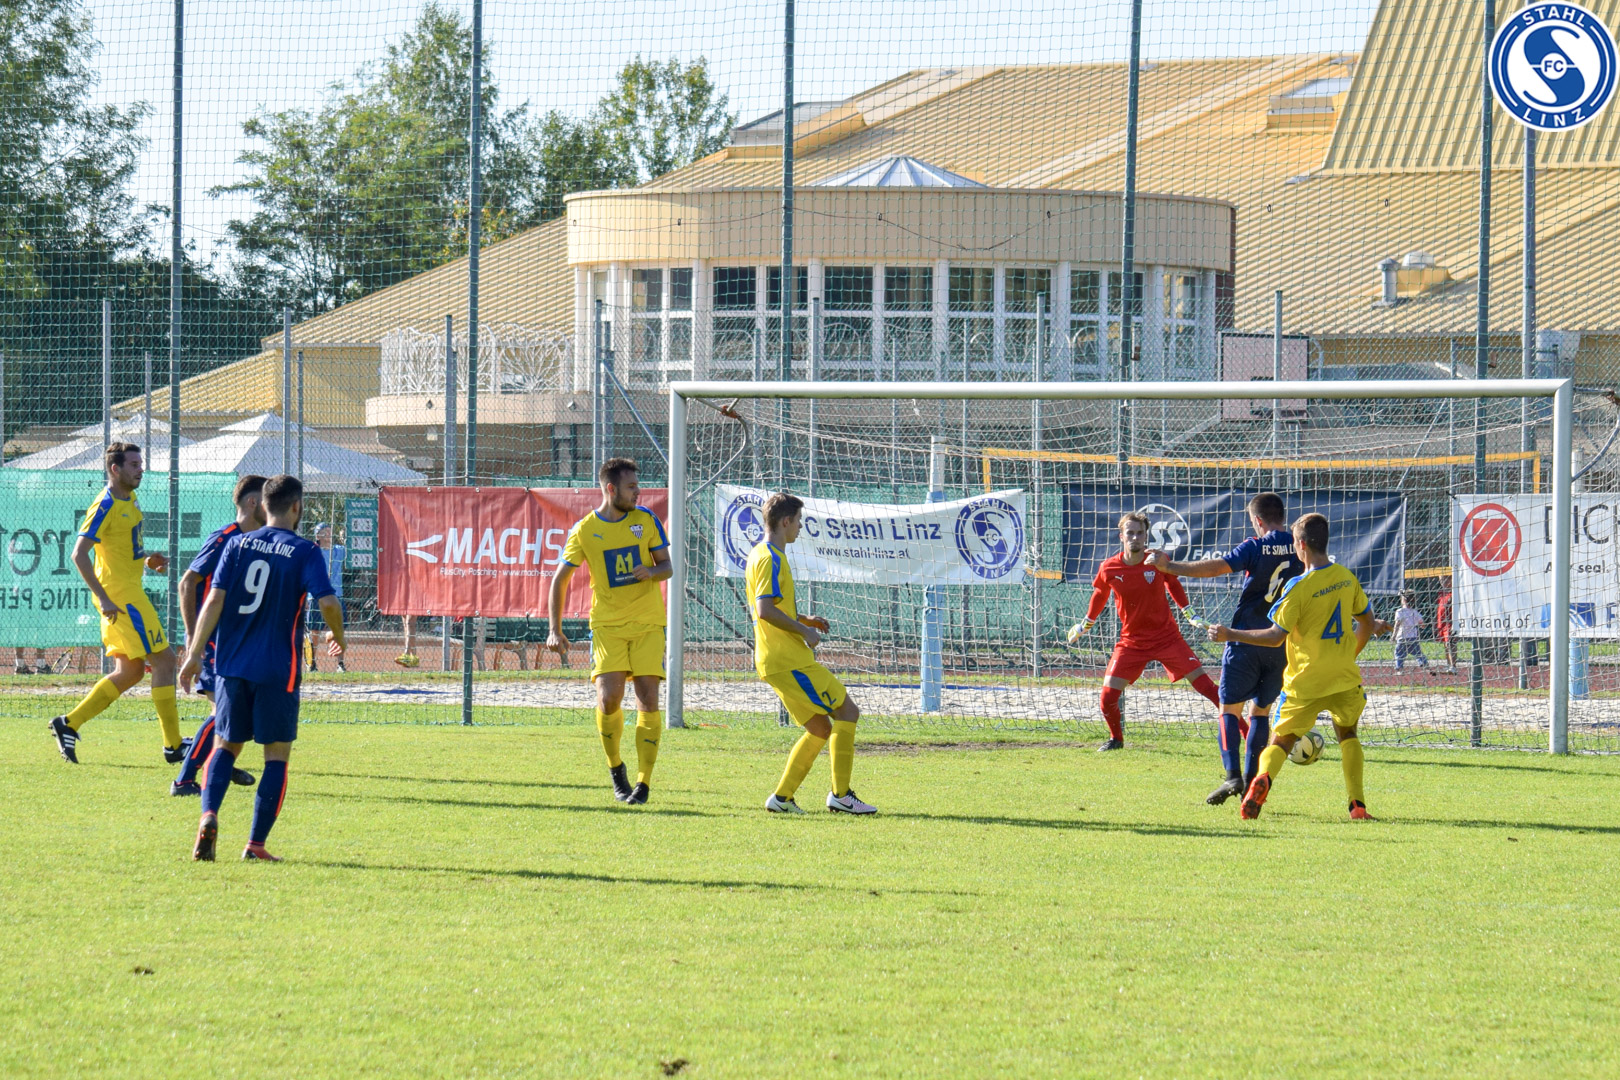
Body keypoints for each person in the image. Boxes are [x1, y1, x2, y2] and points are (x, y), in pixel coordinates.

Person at [179, 474, 344, 862]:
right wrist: (339, 635)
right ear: (297, 507)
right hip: (277, 669)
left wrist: (194, 653)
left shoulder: (236, 544)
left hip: (231, 666)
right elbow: (328, 603)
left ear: (263, 505)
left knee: (225, 746)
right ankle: (255, 845)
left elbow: (213, 600)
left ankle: (208, 815)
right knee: (276, 756)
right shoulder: (305, 551)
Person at [1206, 513, 1390, 821]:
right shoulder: (1347, 577)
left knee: (1282, 741)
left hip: (1305, 681)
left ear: (1301, 545)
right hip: (1344, 677)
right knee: (1348, 734)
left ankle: (1262, 781)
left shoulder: (1298, 587)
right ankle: (1357, 806)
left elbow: (1275, 637)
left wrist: (1230, 634)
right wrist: (1349, 655)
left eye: (1294, 542)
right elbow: (1367, 623)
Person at [1146, 492, 1303, 804]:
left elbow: (1216, 567)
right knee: (1260, 712)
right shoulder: (1299, 547)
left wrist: (1170, 566)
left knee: (1229, 708)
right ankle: (1251, 781)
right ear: (1283, 517)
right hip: (1280, 642)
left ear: (1257, 520)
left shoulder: (1255, 545)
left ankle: (1232, 776)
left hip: (1245, 638)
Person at [546, 458, 673, 805]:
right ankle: (617, 769)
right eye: (631, 487)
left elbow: (667, 566)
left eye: (638, 486)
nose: (638, 492)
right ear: (611, 489)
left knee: (648, 699)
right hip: (607, 626)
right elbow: (560, 579)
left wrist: (651, 572)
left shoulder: (646, 520)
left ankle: (643, 784)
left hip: (648, 623)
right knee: (608, 700)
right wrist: (554, 629)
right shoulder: (585, 530)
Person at [48, 443, 184, 765]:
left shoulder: (129, 498)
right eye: (134, 464)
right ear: (115, 468)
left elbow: (122, 548)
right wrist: (104, 597)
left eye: (141, 463)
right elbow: (78, 554)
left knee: (131, 671)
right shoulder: (106, 504)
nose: (141, 469)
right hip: (122, 598)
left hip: (126, 592)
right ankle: (174, 746)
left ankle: (69, 723)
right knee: (165, 661)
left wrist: (147, 560)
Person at [746, 493, 874, 814]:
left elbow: (774, 605)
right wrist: (804, 632)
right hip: (788, 659)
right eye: (799, 521)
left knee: (819, 729)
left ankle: (782, 799)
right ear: (786, 521)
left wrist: (804, 619)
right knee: (848, 711)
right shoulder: (770, 558)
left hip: (775, 660)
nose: (800, 527)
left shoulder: (759, 554)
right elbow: (764, 610)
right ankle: (842, 796)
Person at [1074, 512, 1222, 752]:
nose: (1135, 537)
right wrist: (1086, 624)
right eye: (1130, 533)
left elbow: (1173, 584)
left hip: (1167, 639)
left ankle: (1246, 733)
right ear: (1121, 536)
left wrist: (1189, 613)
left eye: (1140, 533)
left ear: (1146, 536)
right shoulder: (1109, 567)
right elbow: (1100, 594)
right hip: (1131, 643)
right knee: (1107, 698)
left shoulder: (1158, 560)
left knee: (1207, 687)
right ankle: (1116, 740)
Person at [169, 475, 268, 797]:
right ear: (253, 502)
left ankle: (218, 761)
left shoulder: (258, 542)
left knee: (235, 712)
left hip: (237, 640)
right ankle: (185, 781)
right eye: (267, 500)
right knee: (221, 712)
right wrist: (192, 635)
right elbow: (187, 582)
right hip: (214, 639)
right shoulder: (226, 537)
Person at [306, 523, 347, 672]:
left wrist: (344, 537)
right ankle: (312, 664)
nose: (328, 534)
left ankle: (340, 664)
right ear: (318, 536)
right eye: (325, 532)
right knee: (314, 632)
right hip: (315, 596)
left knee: (338, 630)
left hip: (336, 595)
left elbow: (353, 550)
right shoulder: (313, 552)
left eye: (330, 531)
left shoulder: (339, 550)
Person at [1392, 591, 1428, 671]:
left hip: (1402, 637)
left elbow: (1397, 624)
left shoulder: (1400, 611)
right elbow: (1422, 625)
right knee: (1418, 652)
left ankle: (1399, 668)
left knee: (1399, 654)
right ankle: (1423, 663)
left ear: (1404, 600)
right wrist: (1418, 624)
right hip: (1413, 637)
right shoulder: (1414, 612)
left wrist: (1394, 636)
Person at [1435, 587, 1458, 673]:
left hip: (1449, 621)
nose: (1443, 581)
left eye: (1446, 580)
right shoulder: (1441, 592)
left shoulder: (1454, 592)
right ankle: (1449, 664)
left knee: (1450, 643)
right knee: (1445, 644)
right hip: (1442, 622)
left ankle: (1453, 666)